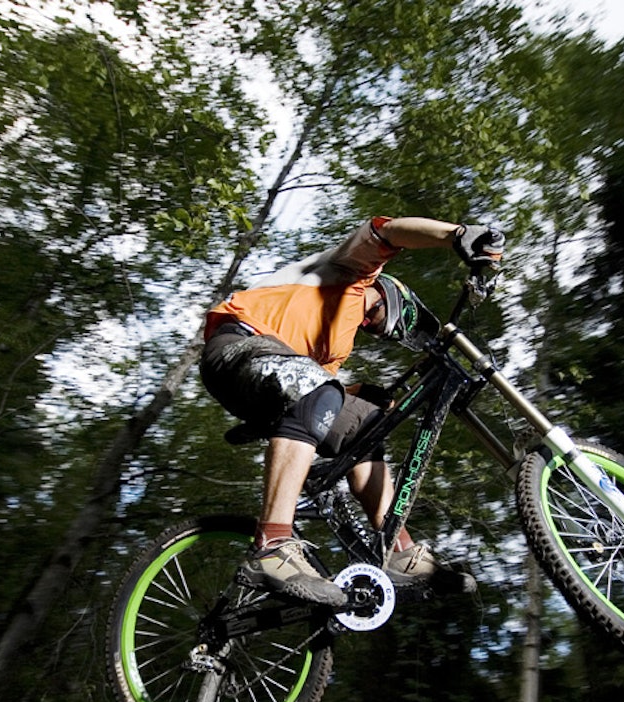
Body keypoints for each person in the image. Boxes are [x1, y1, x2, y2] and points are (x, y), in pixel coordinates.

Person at [200, 216, 504, 606]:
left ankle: (398, 551)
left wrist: (364, 397)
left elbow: (320, 394)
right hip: (235, 345)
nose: (380, 330)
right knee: (318, 391)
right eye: (388, 324)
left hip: (268, 372)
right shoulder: (352, 273)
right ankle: (273, 545)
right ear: (390, 297)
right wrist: (457, 235)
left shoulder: (335, 346)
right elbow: (388, 230)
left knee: (367, 425)